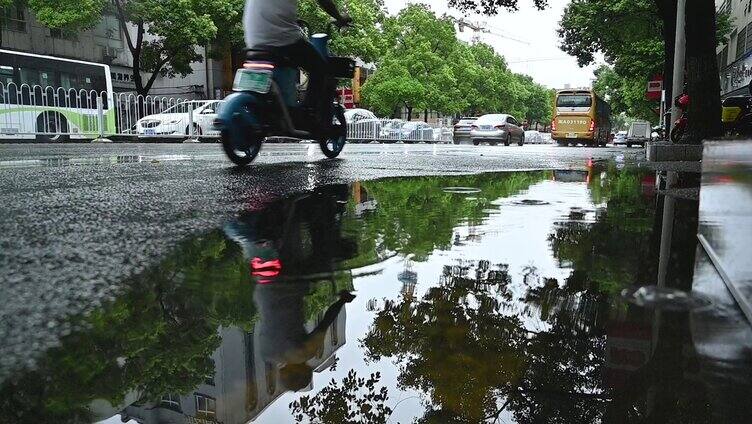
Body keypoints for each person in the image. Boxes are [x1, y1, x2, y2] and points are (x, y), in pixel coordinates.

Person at [243, 0, 351, 128]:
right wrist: (340, 17)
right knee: (321, 69)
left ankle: (282, 109)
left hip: (253, 40)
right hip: (282, 39)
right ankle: (308, 115)